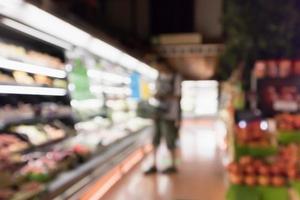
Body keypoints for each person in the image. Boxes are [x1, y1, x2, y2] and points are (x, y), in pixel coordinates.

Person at [144, 70, 182, 174]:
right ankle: (154, 164)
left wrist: (164, 96)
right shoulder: (158, 77)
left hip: (169, 115)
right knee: (155, 140)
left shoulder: (175, 77)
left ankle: (173, 165)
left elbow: (178, 96)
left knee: (170, 141)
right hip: (158, 114)